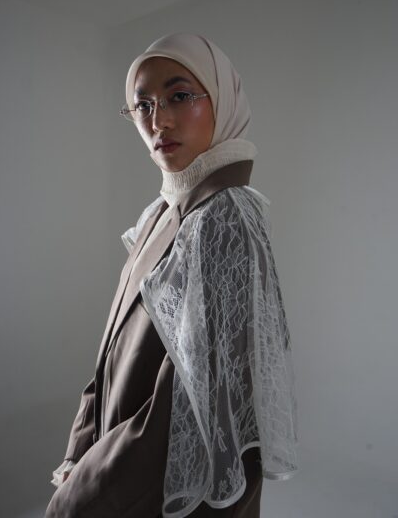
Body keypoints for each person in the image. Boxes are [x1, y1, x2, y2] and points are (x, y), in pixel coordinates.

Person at [45, 33, 298, 518]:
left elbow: (186, 410)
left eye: (179, 96)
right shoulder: (165, 212)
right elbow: (110, 354)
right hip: (120, 473)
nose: (158, 121)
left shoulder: (222, 218)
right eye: (142, 105)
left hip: (163, 493)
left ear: (222, 100)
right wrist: (78, 454)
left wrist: (80, 498)